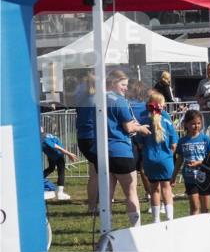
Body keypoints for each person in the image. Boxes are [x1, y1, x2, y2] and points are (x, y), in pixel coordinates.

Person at [106, 70, 150, 228]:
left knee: (107, 194)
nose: (126, 88)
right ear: (113, 83)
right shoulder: (120, 101)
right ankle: (136, 228)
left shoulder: (99, 99)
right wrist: (141, 128)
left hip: (104, 151)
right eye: (123, 84)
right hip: (120, 150)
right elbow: (128, 127)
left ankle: (106, 227)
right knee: (131, 191)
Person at [136, 91, 178, 222]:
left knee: (154, 190)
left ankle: (156, 219)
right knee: (167, 188)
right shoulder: (167, 118)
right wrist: (170, 154)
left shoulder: (143, 120)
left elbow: (139, 143)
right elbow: (174, 142)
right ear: (162, 105)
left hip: (150, 159)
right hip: (166, 159)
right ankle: (170, 218)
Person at [176, 109, 210, 216]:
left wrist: (199, 163)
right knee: (194, 207)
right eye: (193, 123)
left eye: (198, 123)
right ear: (186, 124)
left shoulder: (205, 139)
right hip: (189, 178)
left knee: (206, 208)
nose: (196, 126)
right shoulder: (182, 141)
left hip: (204, 177)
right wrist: (173, 176)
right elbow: (179, 159)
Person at [73, 73, 100, 213]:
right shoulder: (96, 99)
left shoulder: (80, 97)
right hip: (93, 136)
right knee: (99, 173)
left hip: (82, 136)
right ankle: (97, 205)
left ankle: (92, 206)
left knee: (94, 173)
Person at [41, 126, 76, 201]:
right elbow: (56, 146)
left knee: (51, 168)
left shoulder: (44, 136)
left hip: (53, 155)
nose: (42, 127)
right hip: (57, 155)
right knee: (61, 172)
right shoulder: (44, 138)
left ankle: (39, 179)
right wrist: (69, 153)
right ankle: (60, 193)